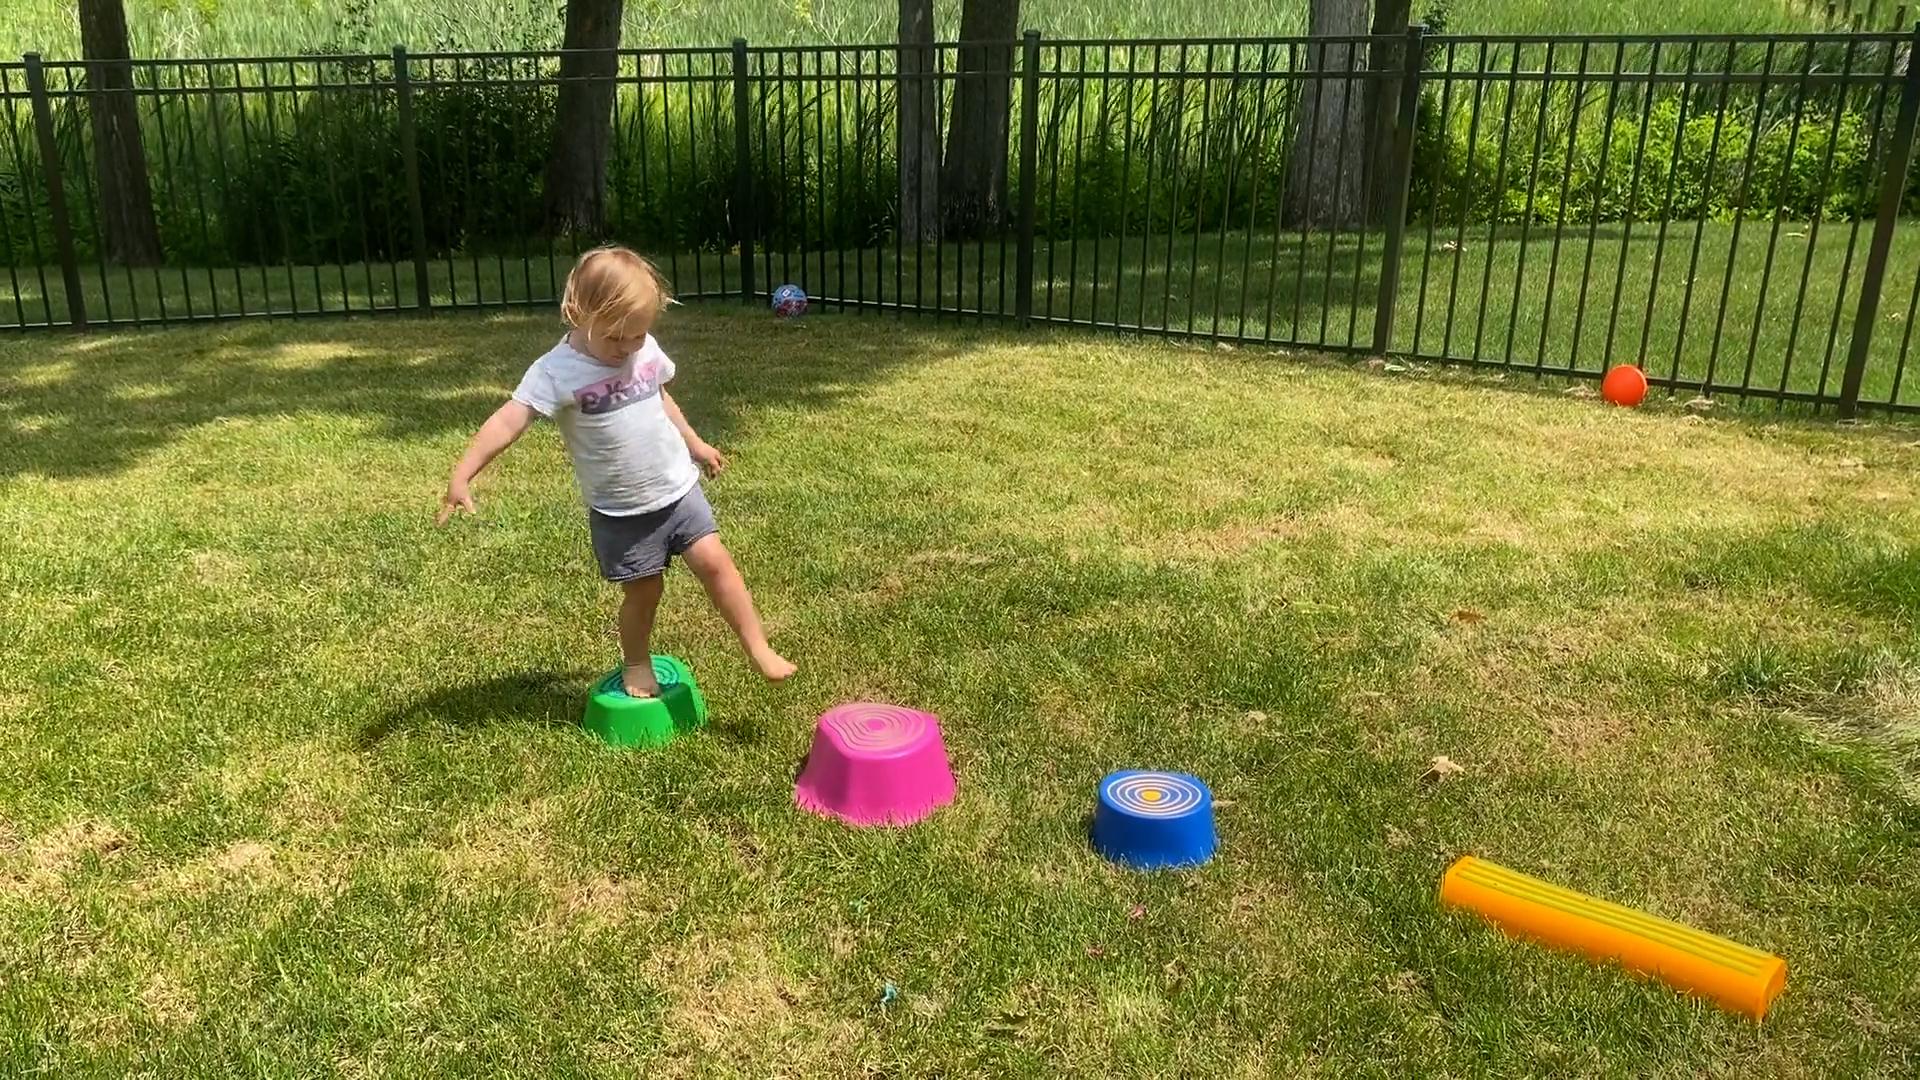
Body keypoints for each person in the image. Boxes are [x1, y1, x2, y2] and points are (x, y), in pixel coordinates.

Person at [437, 246, 795, 697]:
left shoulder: (641, 349)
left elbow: (660, 397)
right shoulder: (555, 372)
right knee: (645, 593)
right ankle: (636, 663)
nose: (627, 348)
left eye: (637, 336)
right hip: (622, 511)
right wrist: (463, 473)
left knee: (718, 564)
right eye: (614, 338)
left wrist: (696, 443)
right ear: (578, 312)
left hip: (678, 490)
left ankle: (757, 645)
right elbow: (510, 419)